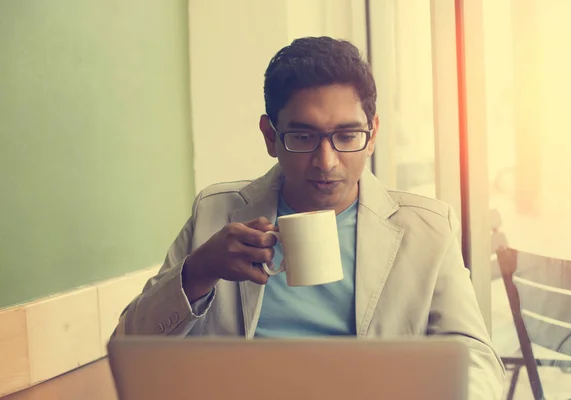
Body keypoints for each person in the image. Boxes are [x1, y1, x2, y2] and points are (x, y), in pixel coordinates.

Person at [114, 36, 504, 398]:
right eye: (302, 137)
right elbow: (130, 346)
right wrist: (198, 272)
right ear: (270, 136)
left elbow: (477, 360)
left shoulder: (428, 229)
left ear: (372, 134)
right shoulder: (215, 213)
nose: (326, 162)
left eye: (347, 136)